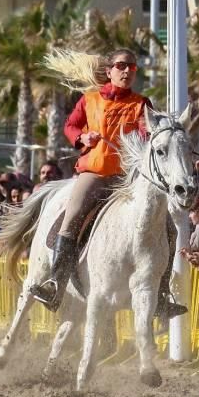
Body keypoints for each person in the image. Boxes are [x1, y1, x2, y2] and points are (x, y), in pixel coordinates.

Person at [31, 49, 183, 320]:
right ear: (110, 70)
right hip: (95, 173)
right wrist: (82, 137)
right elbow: (70, 126)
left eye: (132, 67)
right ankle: (55, 283)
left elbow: (148, 133)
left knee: (169, 227)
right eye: (122, 66)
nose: (127, 71)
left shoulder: (141, 104)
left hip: (127, 179)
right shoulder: (89, 99)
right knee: (72, 217)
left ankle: (161, 295)